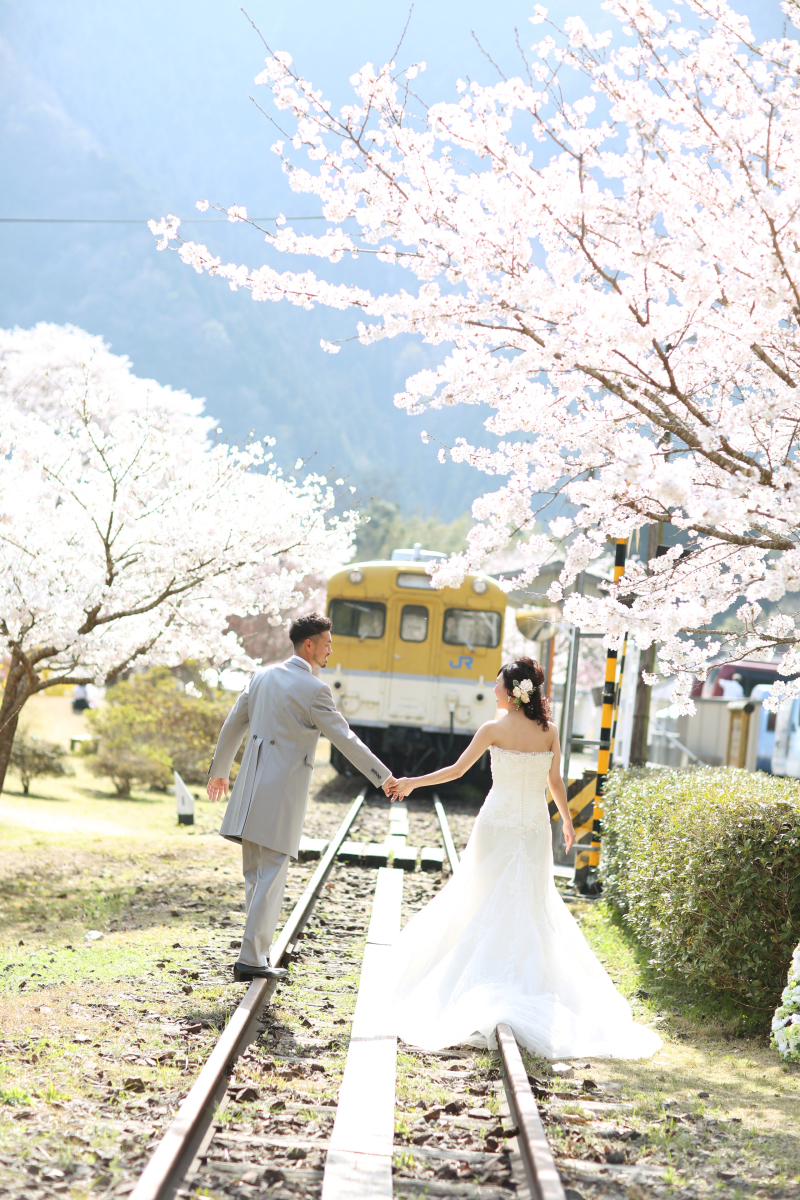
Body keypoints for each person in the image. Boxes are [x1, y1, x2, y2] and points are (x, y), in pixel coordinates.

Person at [385, 656, 662, 1060]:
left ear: (513, 692)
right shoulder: (548, 731)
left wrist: (412, 782)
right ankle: (524, 978)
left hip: (497, 824)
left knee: (479, 898)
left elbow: (457, 772)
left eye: (498, 683)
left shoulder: (493, 728)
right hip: (534, 827)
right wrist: (566, 823)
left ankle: (475, 979)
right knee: (530, 904)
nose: (493, 687)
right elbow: (554, 783)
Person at [207, 613, 396, 983]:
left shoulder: (262, 676)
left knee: (255, 873)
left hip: (249, 789)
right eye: (327, 642)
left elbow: (233, 723)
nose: (330, 649)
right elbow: (346, 740)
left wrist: (219, 771)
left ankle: (256, 952)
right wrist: (384, 777)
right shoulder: (314, 690)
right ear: (308, 644)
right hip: (281, 792)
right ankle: (250, 959)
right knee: (273, 872)